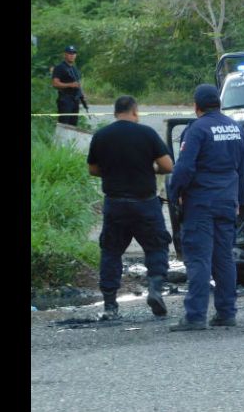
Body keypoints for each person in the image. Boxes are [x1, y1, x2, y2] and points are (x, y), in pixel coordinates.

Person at [168, 84, 244, 331]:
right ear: (219, 103)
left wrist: (175, 193)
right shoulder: (236, 128)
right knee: (224, 257)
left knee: (199, 258)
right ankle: (226, 312)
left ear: (196, 106)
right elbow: (243, 168)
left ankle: (195, 316)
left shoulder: (196, 130)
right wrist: (239, 200)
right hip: (227, 201)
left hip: (201, 202)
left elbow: (185, 168)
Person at [87, 96, 174, 319]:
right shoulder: (146, 134)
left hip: (115, 204)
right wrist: (148, 168)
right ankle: (154, 288)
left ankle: (110, 305)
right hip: (144, 203)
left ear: (115, 112)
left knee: (111, 251)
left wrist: (113, 170)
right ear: (135, 112)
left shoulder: (102, 135)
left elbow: (93, 169)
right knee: (156, 246)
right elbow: (167, 166)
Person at [52, 45, 87, 126]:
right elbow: (55, 83)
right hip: (65, 100)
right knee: (64, 125)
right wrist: (70, 85)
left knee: (73, 126)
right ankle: (61, 139)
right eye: (70, 53)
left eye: (74, 53)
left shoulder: (74, 69)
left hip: (75, 100)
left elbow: (77, 84)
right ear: (65, 54)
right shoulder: (60, 67)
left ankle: (71, 139)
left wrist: (82, 94)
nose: (72, 55)